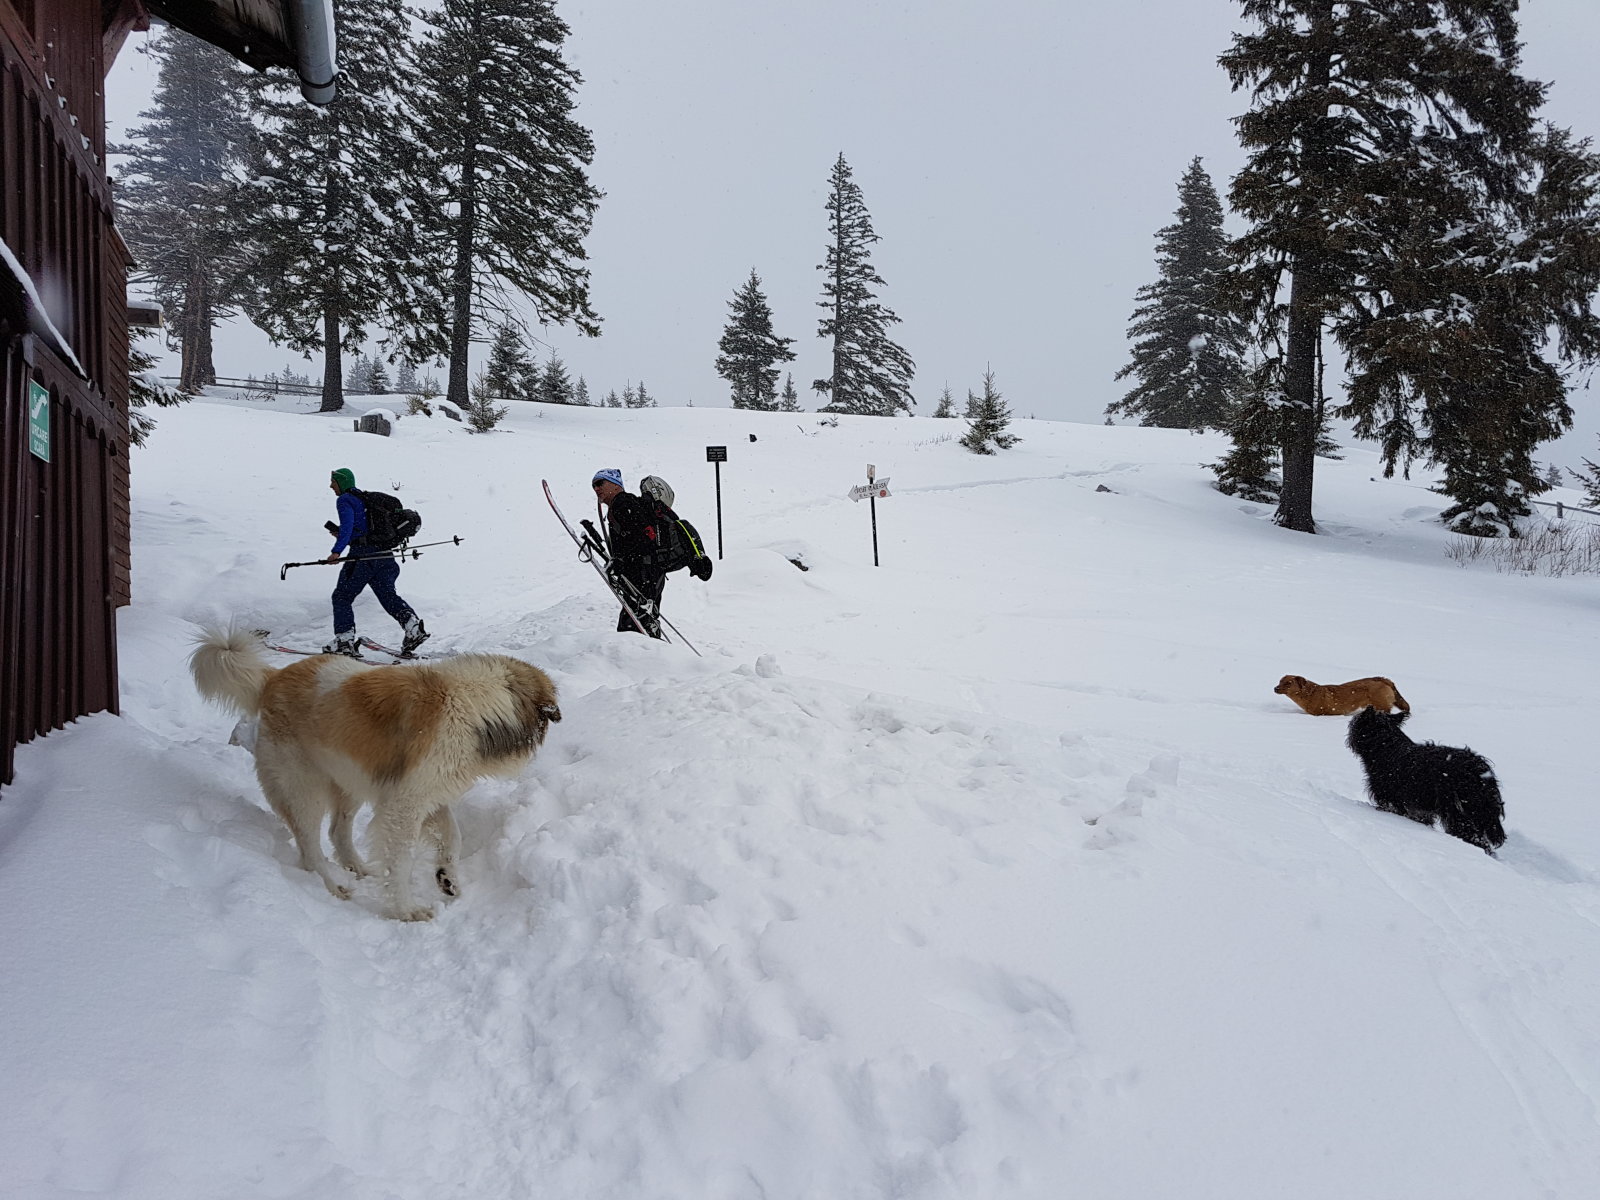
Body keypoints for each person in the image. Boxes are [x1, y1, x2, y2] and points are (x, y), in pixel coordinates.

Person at [322, 468, 429, 657]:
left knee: (342, 597)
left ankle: (344, 640)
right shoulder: (366, 500)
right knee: (387, 595)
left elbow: (348, 527)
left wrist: (336, 551)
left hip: (363, 556)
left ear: (343, 482)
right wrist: (344, 534)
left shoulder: (345, 500)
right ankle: (413, 628)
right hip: (385, 555)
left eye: (334, 482)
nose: (331, 486)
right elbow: (361, 529)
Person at [591, 468, 665, 636]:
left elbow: (643, 536)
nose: (596, 489)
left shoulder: (623, 502)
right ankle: (648, 652)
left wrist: (623, 561)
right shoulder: (620, 505)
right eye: (593, 486)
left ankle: (643, 655)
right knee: (639, 620)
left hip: (644, 572)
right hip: (647, 572)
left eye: (600, 483)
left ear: (616, 485)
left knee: (634, 624)